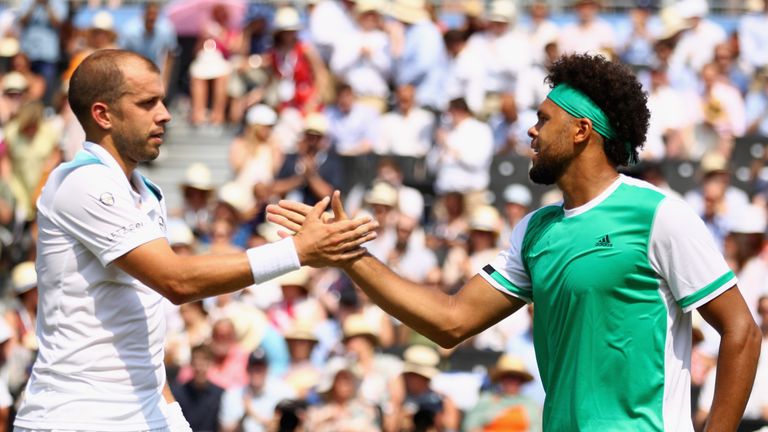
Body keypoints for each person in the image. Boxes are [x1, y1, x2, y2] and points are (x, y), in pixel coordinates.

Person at [268, 53, 762, 431]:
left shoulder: (660, 215)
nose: (531, 129)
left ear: (581, 131)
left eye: (544, 120)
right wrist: (349, 254)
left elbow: (741, 331)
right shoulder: (535, 231)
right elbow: (450, 321)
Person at [13, 49, 377, 431]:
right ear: (103, 115)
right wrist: (297, 251)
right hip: (75, 418)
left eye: (164, 100)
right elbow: (176, 280)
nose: (165, 114)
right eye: (147, 103)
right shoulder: (82, 183)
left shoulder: (146, 193)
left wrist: (172, 417)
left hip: (145, 413)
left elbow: (144, 327)